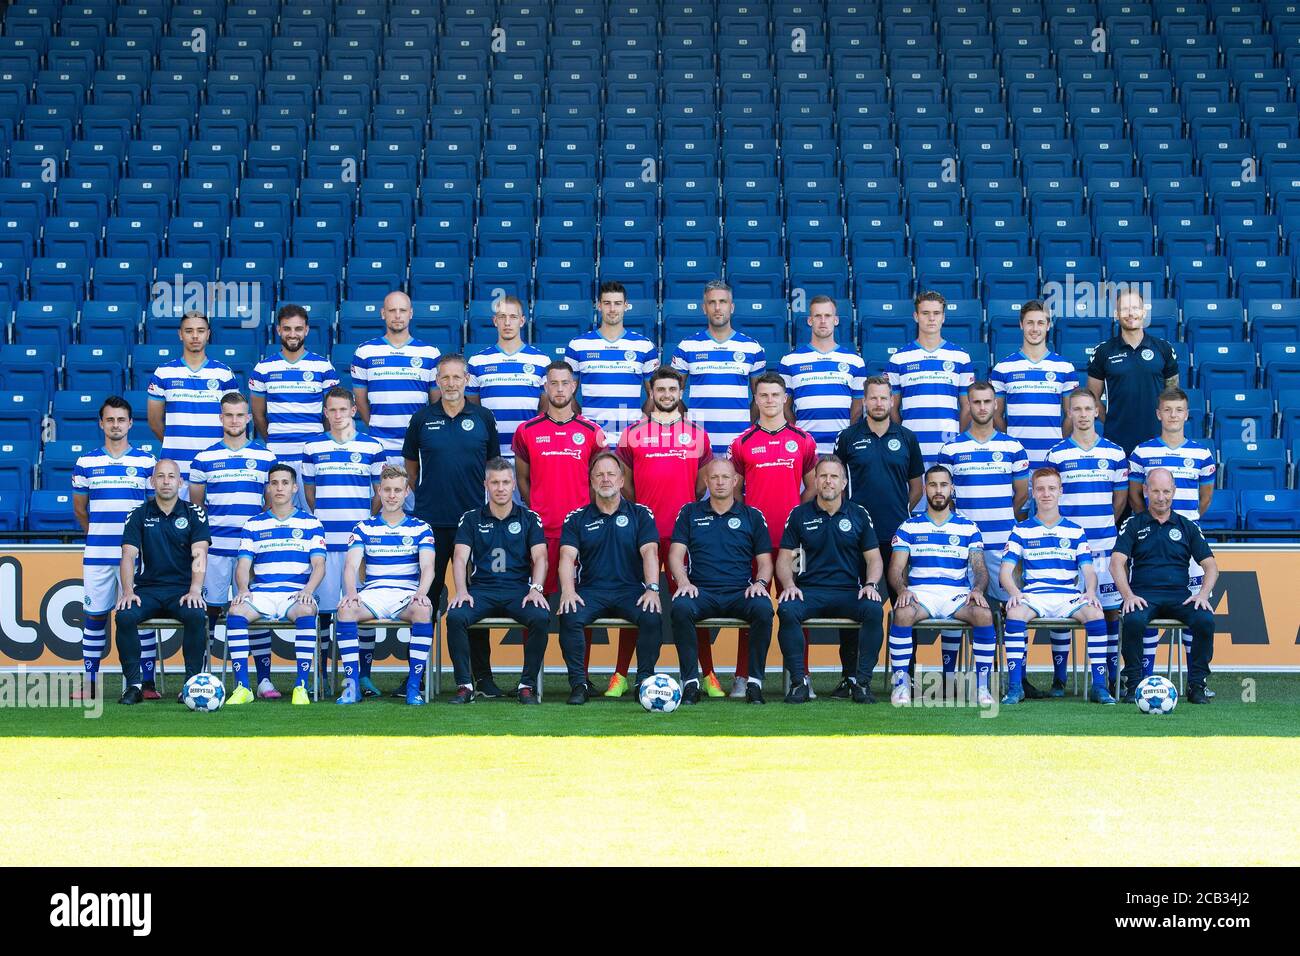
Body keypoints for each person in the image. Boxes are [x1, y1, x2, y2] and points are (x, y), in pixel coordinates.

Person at [615, 367, 718, 697]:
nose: (667, 394)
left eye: (672, 389)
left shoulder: (697, 435)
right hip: (643, 532)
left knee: (689, 603)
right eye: (660, 389)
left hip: (683, 535)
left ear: (681, 392)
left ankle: (708, 675)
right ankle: (620, 675)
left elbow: (703, 483)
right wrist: (643, 511)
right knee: (637, 603)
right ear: (651, 393)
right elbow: (625, 483)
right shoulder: (632, 434)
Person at [402, 354, 501, 697]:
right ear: (437, 380)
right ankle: (415, 675)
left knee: (474, 599)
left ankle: (483, 676)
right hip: (432, 522)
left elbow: (493, 468)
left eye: (457, 377)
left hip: (475, 525)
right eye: (445, 377)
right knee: (426, 598)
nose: (451, 383)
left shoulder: (483, 418)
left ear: (467, 379)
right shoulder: (422, 419)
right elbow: (411, 469)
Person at [513, 361, 606, 683]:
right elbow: (522, 480)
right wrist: (536, 510)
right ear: (545, 387)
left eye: (565, 383)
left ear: (574, 386)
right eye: (554, 383)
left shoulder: (592, 432)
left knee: (580, 607)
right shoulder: (527, 431)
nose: (560, 389)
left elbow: (601, 481)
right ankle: (530, 679)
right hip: (541, 533)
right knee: (535, 605)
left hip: (582, 535)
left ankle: (581, 677)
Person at [729, 373, 819, 696]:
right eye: (763, 395)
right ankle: (743, 676)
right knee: (753, 606)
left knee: (796, 607)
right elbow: (735, 493)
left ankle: (802, 676)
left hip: (794, 543)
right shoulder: (742, 442)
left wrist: (796, 516)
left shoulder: (803, 440)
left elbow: (812, 486)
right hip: (754, 544)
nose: (769, 400)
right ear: (755, 400)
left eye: (775, 395)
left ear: (786, 399)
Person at [936, 381, 1028, 682]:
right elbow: (945, 494)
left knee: (1012, 606)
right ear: (968, 406)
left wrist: (1003, 523)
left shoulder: (1013, 447)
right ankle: (950, 678)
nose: (982, 407)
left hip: (1003, 545)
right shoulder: (951, 449)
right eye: (976, 402)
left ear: (996, 405)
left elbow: (1021, 494)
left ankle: (1018, 678)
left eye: (988, 401)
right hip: (963, 547)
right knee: (957, 605)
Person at [189, 392, 279, 698]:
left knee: (258, 609)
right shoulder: (204, 458)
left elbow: (270, 506)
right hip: (215, 550)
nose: (235, 420)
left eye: (240, 415)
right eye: (229, 415)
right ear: (220, 418)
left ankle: (264, 678)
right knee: (211, 610)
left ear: (249, 418)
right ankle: (204, 675)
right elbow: (197, 507)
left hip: (253, 552)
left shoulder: (266, 457)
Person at [775, 456, 885, 704]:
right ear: (814, 480)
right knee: (787, 609)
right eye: (823, 476)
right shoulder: (800, 515)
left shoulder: (858, 514)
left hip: (848, 592)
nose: (828, 481)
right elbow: (785, 559)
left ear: (844, 482)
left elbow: (874, 559)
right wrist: (790, 585)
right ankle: (798, 682)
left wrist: (870, 584)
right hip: (810, 591)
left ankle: (862, 682)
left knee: (873, 609)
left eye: (834, 476)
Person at [1000, 467, 1114, 706]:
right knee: (1014, 611)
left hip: (1067, 596)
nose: (1046, 494)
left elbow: (1089, 571)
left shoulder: (1075, 530)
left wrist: (1090, 592)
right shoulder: (1021, 529)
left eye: (1052, 488)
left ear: (1061, 491)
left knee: (1095, 611)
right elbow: (1005, 572)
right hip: (1034, 595)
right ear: (1033, 493)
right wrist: (1014, 592)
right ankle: (1015, 687)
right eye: (1040, 489)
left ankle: (1099, 687)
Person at [1127, 386, 1216, 687]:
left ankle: (1196, 681)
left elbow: (1205, 498)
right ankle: (1146, 680)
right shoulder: (1142, 452)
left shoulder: (1201, 453)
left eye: (1179, 410)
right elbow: (1137, 497)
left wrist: (1186, 524)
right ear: (1158, 414)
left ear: (1187, 414)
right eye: (1168, 410)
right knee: (1146, 608)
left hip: (1188, 538)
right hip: (1154, 535)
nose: (1173, 415)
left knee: (1196, 606)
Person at [557, 452, 662, 705]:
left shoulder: (640, 514)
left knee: (651, 615)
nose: (605, 479)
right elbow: (566, 557)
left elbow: (650, 552)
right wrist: (568, 592)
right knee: (569, 615)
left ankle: (643, 682)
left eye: (611, 474)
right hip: (591, 591)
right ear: (591, 481)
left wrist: (652, 589)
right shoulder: (576, 518)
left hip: (630, 590)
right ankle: (579, 683)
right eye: (599, 475)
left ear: (622, 480)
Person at [667, 457, 775, 705]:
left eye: (725, 477)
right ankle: (691, 683)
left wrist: (760, 583)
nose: (719, 482)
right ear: (706, 481)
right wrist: (683, 582)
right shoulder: (690, 512)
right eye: (714, 477)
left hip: (740, 592)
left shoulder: (752, 516)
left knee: (763, 608)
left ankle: (754, 683)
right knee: (681, 607)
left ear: (735, 480)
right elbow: (675, 555)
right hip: (701, 592)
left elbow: (766, 562)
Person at [887, 465, 997, 706]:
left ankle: (982, 687)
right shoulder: (909, 527)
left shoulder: (968, 527)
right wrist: (902, 590)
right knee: (903, 612)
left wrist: (977, 590)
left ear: (952, 488)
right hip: (921, 594)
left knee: (984, 614)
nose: (938, 490)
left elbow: (979, 568)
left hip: (956, 594)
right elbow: (895, 569)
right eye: (933, 485)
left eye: (944, 485)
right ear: (925, 488)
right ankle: (900, 685)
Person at [445, 459, 552, 705]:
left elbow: (540, 557)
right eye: (495, 482)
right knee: (455, 617)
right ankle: (465, 685)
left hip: (518, 590)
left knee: (540, 617)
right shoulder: (471, 518)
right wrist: (461, 590)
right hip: (482, 590)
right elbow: (460, 558)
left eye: (505, 482)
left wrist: (536, 589)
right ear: (486, 484)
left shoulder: (529, 517)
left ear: (514, 484)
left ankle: (526, 685)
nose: (500, 488)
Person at [72, 396, 157, 700]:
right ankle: (90, 681)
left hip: (135, 556)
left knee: (139, 616)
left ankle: (146, 683)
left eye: (121, 420)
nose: (116, 425)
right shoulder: (86, 462)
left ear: (131, 423)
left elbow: (152, 511)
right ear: (101, 423)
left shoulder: (146, 462)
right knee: (94, 617)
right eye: (110, 420)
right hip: (97, 555)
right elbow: (81, 510)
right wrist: (96, 535)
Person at [301, 387, 385, 695]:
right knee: (322, 611)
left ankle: (363, 675)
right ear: (325, 412)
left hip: (359, 547)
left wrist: (360, 527)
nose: (337, 415)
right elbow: (310, 496)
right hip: (324, 544)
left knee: (360, 609)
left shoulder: (372, 447)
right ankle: (321, 675)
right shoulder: (312, 448)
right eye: (331, 410)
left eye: (342, 409)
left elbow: (378, 494)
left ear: (353, 410)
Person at [1046, 388, 1130, 696]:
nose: (1082, 414)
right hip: (1065, 549)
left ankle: (1109, 676)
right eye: (1076, 409)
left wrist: (1101, 526)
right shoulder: (1057, 454)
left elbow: (1120, 500)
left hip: (1105, 547)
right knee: (1060, 609)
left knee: (1109, 611)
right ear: (1068, 414)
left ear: (1097, 411)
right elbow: (1050, 499)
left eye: (1087, 409)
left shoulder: (1114, 453)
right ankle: (1059, 678)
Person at [1111, 468, 1218, 705]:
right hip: (1143, 596)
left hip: (1179, 597)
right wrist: (1128, 596)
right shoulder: (1133, 523)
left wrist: (1202, 594)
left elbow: (1211, 566)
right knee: (1133, 619)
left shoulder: (1186, 525)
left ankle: (1197, 685)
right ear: (1146, 490)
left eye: (1166, 491)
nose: (1162, 497)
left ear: (1174, 491)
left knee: (1205, 620)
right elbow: (1116, 563)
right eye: (1156, 491)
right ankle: (1134, 684)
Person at [223, 464, 327, 706]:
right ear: (268, 488)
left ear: (294, 488)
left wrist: (308, 591)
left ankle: (300, 686)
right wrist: (242, 590)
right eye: (274, 483)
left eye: (284, 483)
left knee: (306, 610)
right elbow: (243, 566)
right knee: (236, 611)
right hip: (262, 592)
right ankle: (243, 687)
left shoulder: (311, 523)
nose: (279, 488)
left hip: (295, 593)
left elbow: (319, 566)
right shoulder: (253, 524)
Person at [335, 467, 436, 706]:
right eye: (387, 490)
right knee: (346, 610)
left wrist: (421, 593)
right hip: (374, 594)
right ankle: (352, 686)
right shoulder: (364, 527)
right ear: (379, 491)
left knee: (423, 610)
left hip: (406, 595)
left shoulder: (421, 528)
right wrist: (351, 593)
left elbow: (428, 567)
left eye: (397, 490)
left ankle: (413, 687)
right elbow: (350, 566)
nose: (392, 495)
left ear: (406, 492)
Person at [115, 459, 211, 705]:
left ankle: (191, 686)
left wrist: (195, 590)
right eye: (161, 476)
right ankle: (134, 686)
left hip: (182, 591)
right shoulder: (138, 513)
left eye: (171, 477)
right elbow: (128, 555)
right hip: (148, 590)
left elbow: (199, 554)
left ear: (180, 483)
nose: (166, 481)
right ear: (152, 481)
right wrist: (127, 591)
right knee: (124, 615)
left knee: (196, 615)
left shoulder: (194, 512)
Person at [835, 376, 925, 604]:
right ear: (864, 401)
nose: (878, 403)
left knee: (904, 602)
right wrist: (850, 516)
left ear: (892, 401)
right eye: (873, 398)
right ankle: (851, 643)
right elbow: (837, 484)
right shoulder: (847, 437)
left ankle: (905, 642)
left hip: (898, 534)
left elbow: (917, 487)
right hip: (858, 534)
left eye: (883, 398)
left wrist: (903, 511)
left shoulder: (907, 438)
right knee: (858, 603)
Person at [249, 304, 339, 508]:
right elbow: (258, 414)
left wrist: (317, 443)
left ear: (306, 330)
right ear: (278, 330)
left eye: (298, 329)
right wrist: (274, 440)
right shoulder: (263, 368)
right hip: (277, 454)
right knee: (277, 518)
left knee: (314, 515)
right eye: (287, 328)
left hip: (312, 455)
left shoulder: (323, 367)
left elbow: (330, 414)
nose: (293, 334)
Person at [670, 279, 766, 455]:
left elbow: (760, 398)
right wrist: (690, 423)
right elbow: (673, 394)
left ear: (732, 307)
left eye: (723, 302)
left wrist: (746, 427)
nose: (717, 307)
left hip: (738, 441)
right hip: (698, 442)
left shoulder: (752, 348)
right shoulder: (687, 347)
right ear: (704, 308)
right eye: (711, 302)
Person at [146, 310, 238, 492]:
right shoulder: (163, 373)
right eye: (189, 331)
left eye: (201, 330)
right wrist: (175, 442)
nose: (195, 336)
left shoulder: (224, 374)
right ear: (180, 334)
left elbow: (233, 420)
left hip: (214, 466)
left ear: (208, 334)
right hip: (175, 469)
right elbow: (154, 421)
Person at [350, 290, 442, 466]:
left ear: (411, 313)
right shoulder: (364, 352)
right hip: (380, 446)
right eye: (392, 310)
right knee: (385, 494)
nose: (397, 315)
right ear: (383, 313)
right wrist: (377, 427)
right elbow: (360, 402)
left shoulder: (430, 353)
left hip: (417, 446)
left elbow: (436, 405)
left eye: (403, 310)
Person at [1086, 288, 1180, 458]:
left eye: (1135, 308)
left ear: (1144, 312)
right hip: (1116, 442)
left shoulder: (1164, 349)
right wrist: (1113, 422)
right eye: (1124, 309)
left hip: (1157, 440)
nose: (1131, 313)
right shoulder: (1102, 352)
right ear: (1116, 314)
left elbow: (1172, 395)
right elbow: (1092, 399)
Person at [564, 279, 658, 443]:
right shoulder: (577, 345)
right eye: (607, 303)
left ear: (626, 306)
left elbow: (654, 395)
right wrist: (584, 422)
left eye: (618, 303)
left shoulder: (645, 346)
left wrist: (639, 421)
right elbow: (566, 394)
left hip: (631, 439)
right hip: (591, 437)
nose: (612, 309)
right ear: (598, 305)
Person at [887, 290, 974, 467]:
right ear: (916, 316)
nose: (931, 318)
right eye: (925, 313)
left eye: (936, 313)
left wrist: (957, 438)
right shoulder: (899, 358)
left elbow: (967, 406)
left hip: (948, 448)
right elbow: (892, 408)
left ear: (944, 317)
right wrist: (905, 437)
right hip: (913, 448)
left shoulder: (961, 357)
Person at [990, 299, 1078, 468]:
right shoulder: (1003, 368)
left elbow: (1070, 415)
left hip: (1051, 459)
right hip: (1015, 459)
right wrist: (1011, 443)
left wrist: (1058, 445)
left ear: (1048, 325)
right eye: (1030, 323)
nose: (1035, 329)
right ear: (1021, 325)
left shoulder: (1065, 368)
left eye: (1040, 323)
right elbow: (996, 416)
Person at [778, 295, 866, 453]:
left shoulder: (855, 361)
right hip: (804, 448)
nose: (823, 320)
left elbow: (858, 407)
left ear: (836, 320)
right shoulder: (790, 361)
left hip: (841, 447)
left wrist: (844, 434)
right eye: (818, 316)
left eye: (828, 316)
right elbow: (785, 407)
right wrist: (800, 434)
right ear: (810, 321)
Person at [466, 295, 548, 460]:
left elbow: (544, 409)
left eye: (513, 317)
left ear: (523, 321)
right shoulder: (477, 361)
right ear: (495, 321)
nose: (508, 323)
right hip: (490, 454)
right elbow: (474, 409)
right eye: (502, 317)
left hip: (527, 454)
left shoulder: (541, 360)